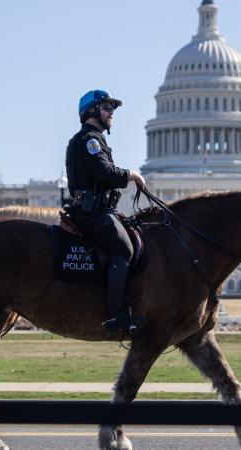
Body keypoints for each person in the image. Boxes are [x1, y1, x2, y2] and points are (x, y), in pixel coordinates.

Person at [65, 90, 146, 333]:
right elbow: (105, 172)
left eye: (112, 109)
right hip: (91, 212)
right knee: (124, 248)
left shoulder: (93, 139)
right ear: (91, 110)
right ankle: (116, 315)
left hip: (98, 209)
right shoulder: (89, 140)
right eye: (107, 108)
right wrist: (131, 174)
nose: (112, 113)